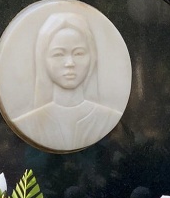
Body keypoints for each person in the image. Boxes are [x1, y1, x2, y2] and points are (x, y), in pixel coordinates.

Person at [10, 12, 123, 152]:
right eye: (58, 54)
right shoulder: (28, 123)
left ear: (92, 57)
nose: (70, 63)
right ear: (43, 59)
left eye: (78, 53)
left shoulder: (108, 118)